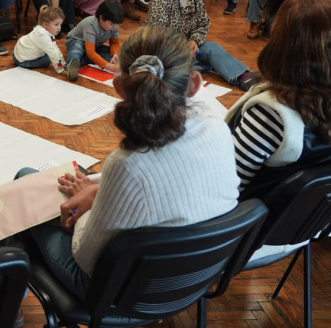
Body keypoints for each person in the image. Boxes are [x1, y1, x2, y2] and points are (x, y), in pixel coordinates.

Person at [21, 26, 240, 298]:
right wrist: (97, 191)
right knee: (69, 184)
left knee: (26, 185)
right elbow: (167, 185)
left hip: (121, 295)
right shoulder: (219, 129)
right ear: (195, 84)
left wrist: (88, 207)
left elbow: (85, 257)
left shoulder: (128, 164)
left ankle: (11, 301)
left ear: (119, 87)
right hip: (195, 281)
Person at [227, 0, 331, 199]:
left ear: (282, 46)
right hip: (313, 215)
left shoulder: (271, 114)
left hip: (256, 214)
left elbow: (226, 187)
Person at [147, 0, 262, 90]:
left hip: (190, 46)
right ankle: (210, 65)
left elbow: (203, 23)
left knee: (212, 47)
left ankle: (243, 76)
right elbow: (157, 34)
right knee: (175, 63)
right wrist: (182, 48)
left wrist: (194, 40)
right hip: (167, 50)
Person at [64, 0, 123, 81]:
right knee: (77, 49)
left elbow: (114, 42)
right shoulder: (91, 25)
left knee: (109, 54)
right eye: (112, 24)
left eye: (116, 24)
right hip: (76, 40)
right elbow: (91, 52)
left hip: (94, 45)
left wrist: (114, 55)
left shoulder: (114, 25)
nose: (114, 27)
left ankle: (82, 60)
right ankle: (71, 65)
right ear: (101, 18)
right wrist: (109, 67)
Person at [13, 5, 68, 75]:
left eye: (60, 25)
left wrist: (62, 62)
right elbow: (53, 52)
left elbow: (54, 48)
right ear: (45, 24)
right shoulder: (43, 36)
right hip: (22, 61)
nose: (59, 28)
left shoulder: (40, 30)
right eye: (56, 24)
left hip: (17, 54)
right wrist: (61, 69)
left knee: (51, 53)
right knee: (48, 60)